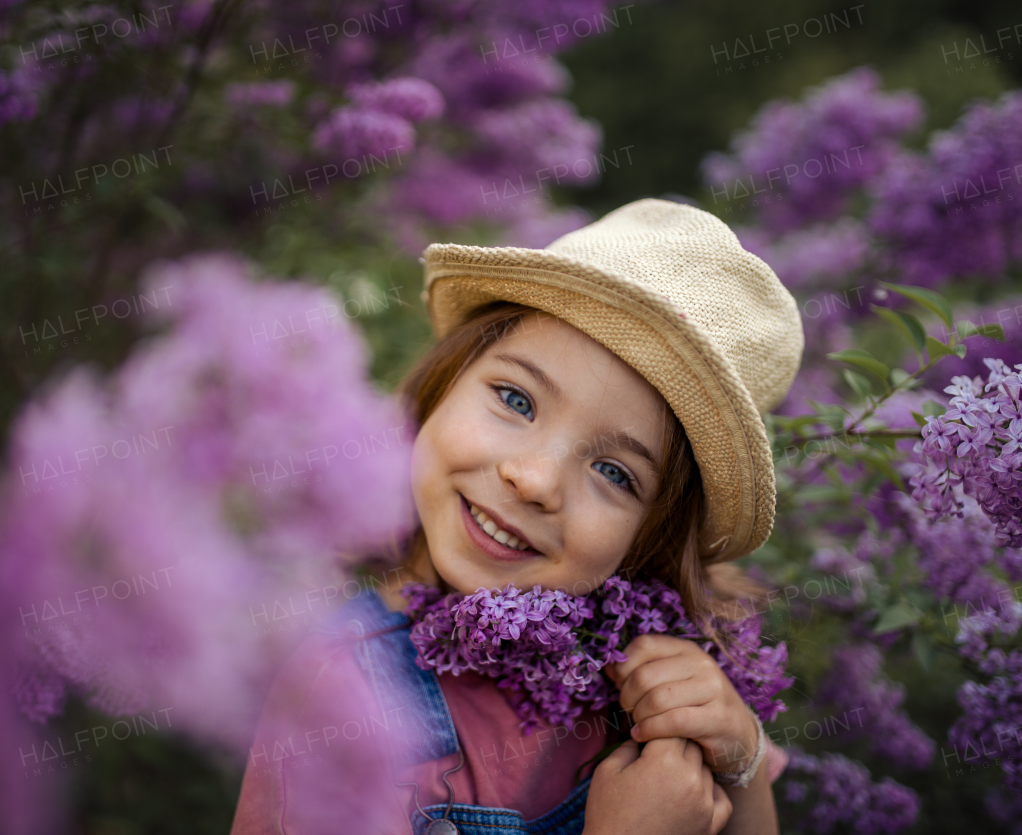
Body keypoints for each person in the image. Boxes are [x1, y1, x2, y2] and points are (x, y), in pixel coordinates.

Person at [230, 198, 804, 835]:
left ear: (650, 539)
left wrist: (741, 761)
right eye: (515, 399)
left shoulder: (670, 672)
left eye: (615, 473)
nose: (532, 480)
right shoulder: (342, 698)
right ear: (442, 382)